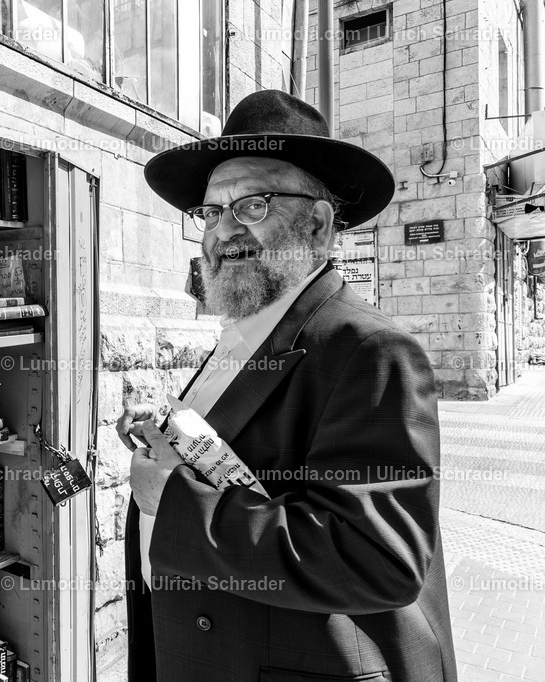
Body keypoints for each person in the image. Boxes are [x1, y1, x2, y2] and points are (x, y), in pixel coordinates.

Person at [116, 90, 457, 681]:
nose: (224, 230)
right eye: (212, 212)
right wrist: (165, 436)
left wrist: (168, 498)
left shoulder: (371, 350)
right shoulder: (247, 331)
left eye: (252, 205)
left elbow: (377, 559)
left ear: (318, 225)